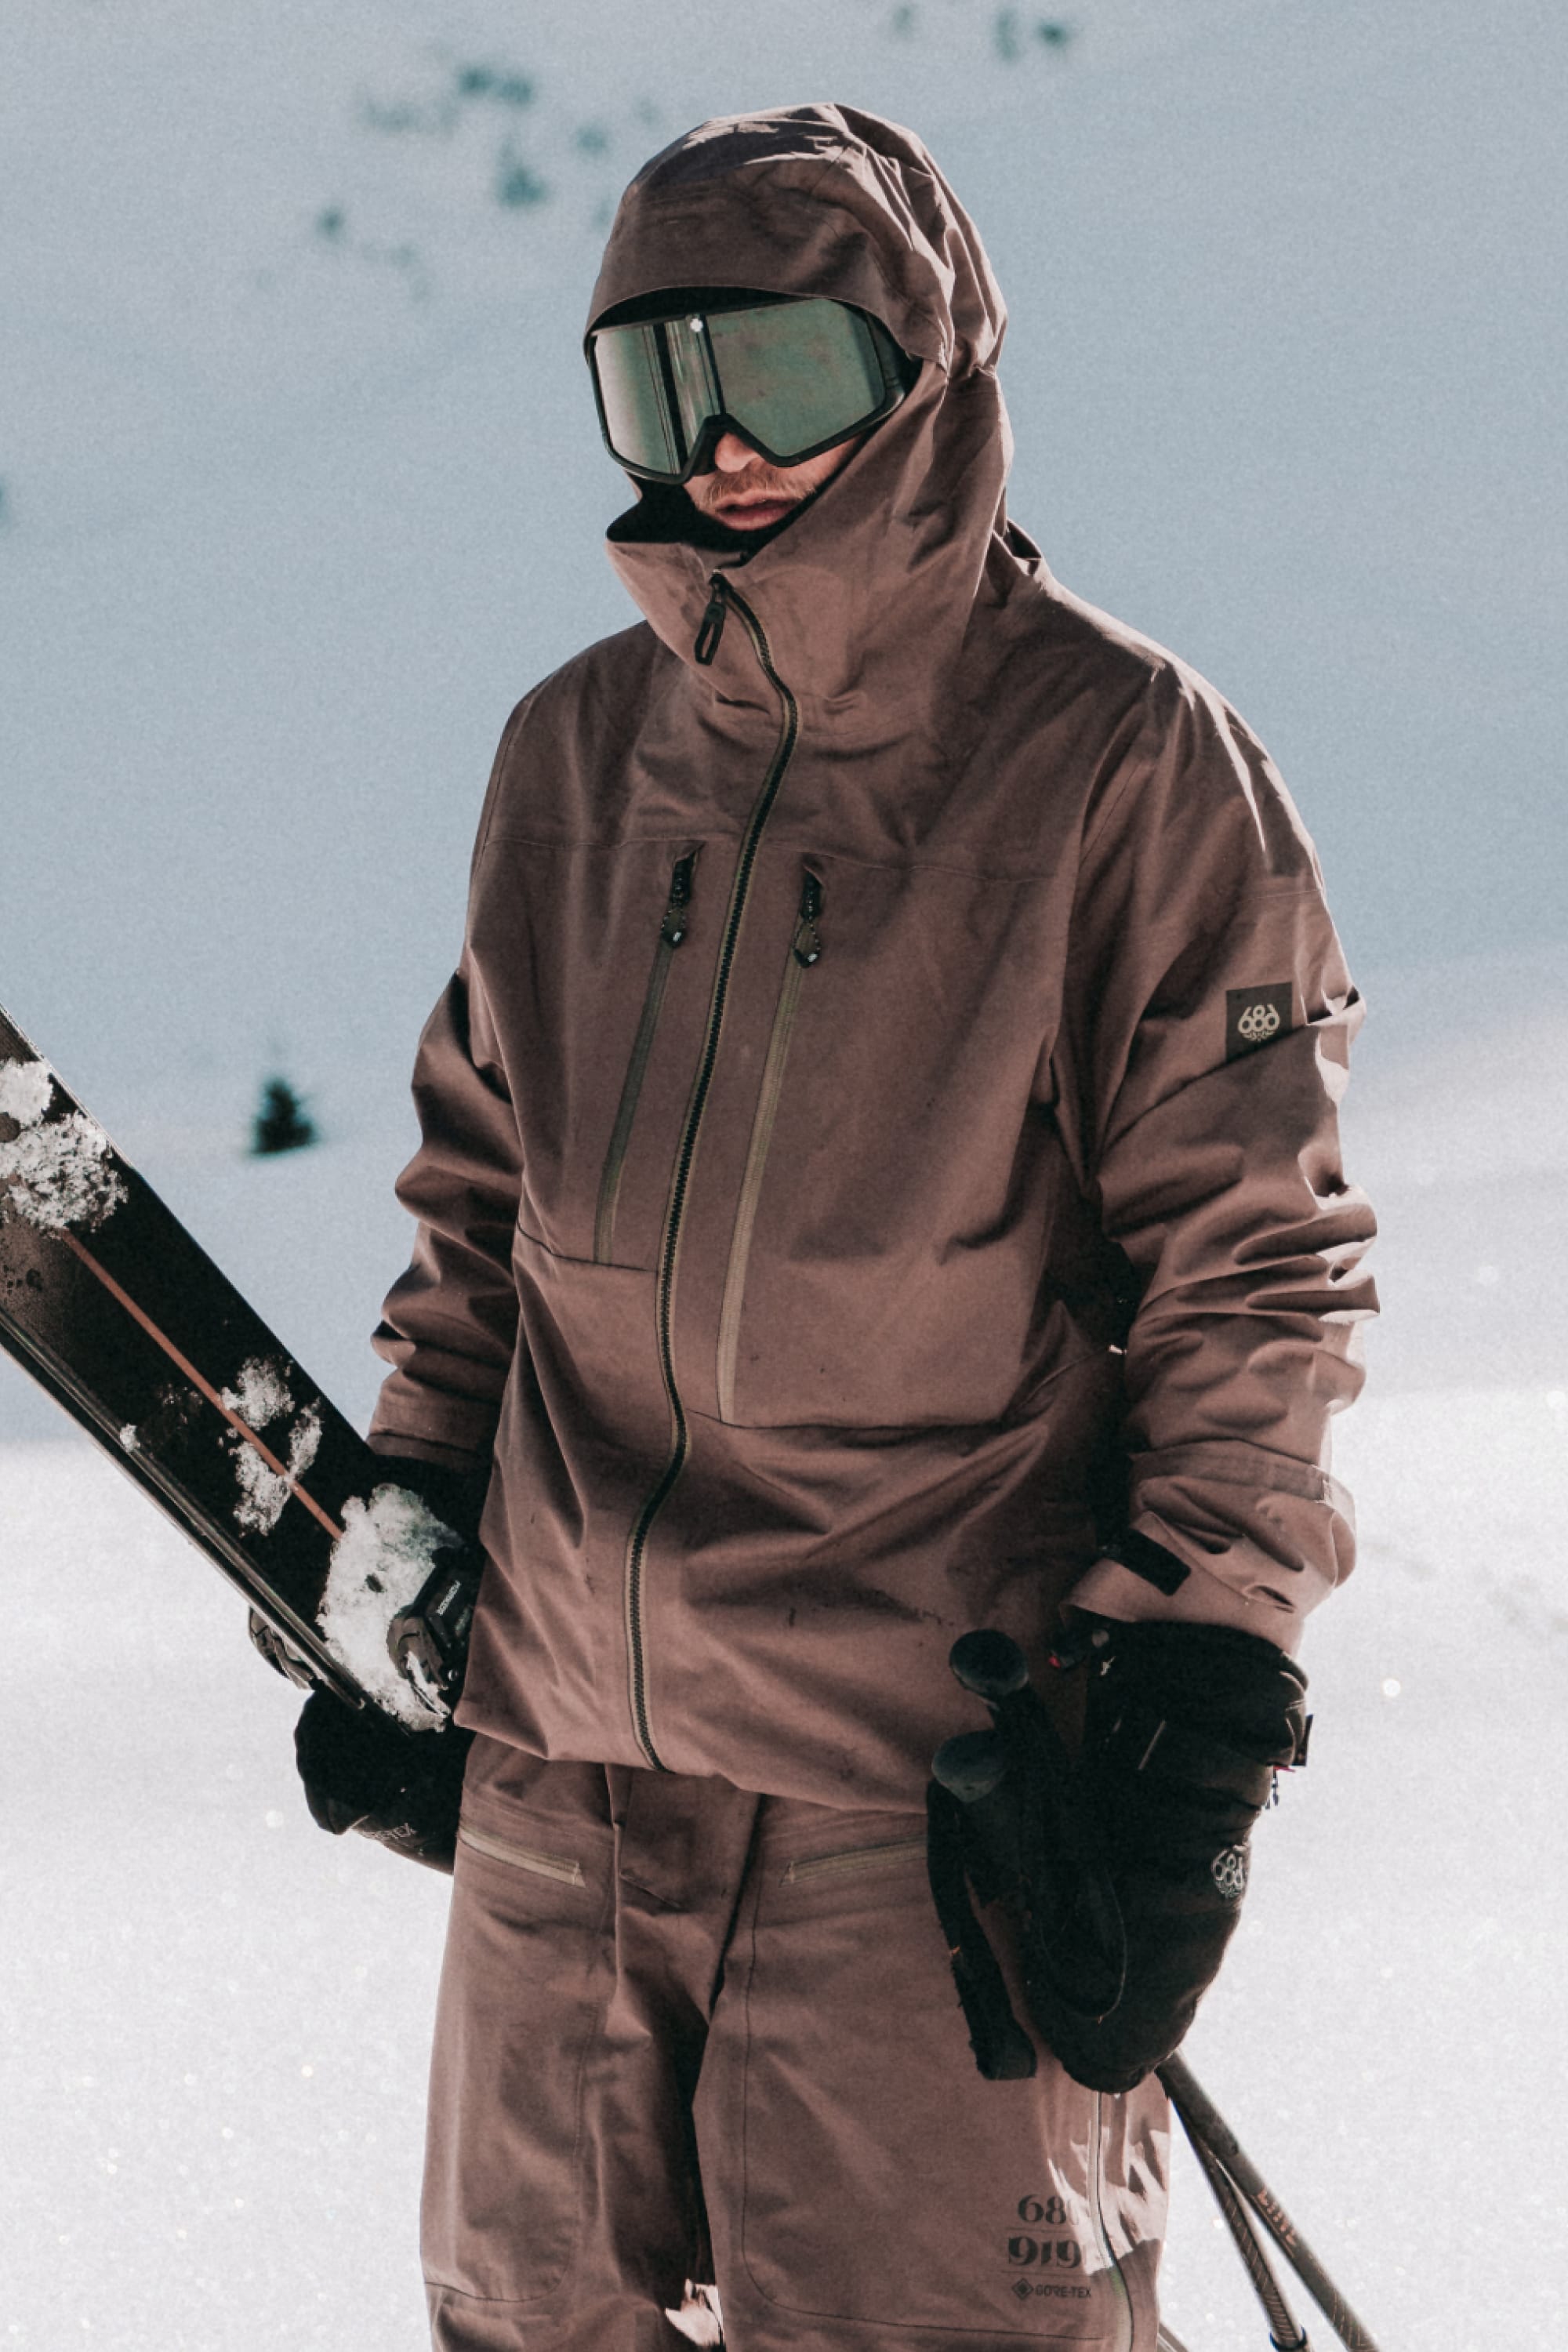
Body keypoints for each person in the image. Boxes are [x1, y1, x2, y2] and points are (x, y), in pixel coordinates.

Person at [288, 103, 1377, 2351]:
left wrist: (1195, 1692)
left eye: (773, 374)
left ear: (920, 368)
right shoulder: (572, 759)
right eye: (657, 384)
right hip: (568, 1779)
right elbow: (483, 1205)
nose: (718, 447)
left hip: (927, 1798)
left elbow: (1254, 1267)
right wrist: (418, 1510)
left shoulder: (1124, 763)